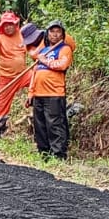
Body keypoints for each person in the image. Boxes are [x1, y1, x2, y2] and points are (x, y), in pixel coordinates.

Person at [0, 13, 39, 137]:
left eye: (11, 25)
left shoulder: (22, 35)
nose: (8, 27)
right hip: (6, 77)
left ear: (16, 25)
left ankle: (38, 104)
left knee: (39, 79)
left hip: (24, 74)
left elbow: (32, 49)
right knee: (2, 104)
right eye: (5, 25)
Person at [29, 21, 74, 159]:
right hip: (39, 93)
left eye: (58, 32)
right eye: (52, 31)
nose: (54, 34)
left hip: (54, 94)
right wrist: (31, 92)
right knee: (40, 125)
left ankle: (58, 154)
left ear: (62, 34)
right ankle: (44, 152)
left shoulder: (64, 49)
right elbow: (35, 72)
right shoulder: (43, 50)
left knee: (54, 124)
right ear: (47, 34)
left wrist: (45, 61)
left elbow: (62, 65)